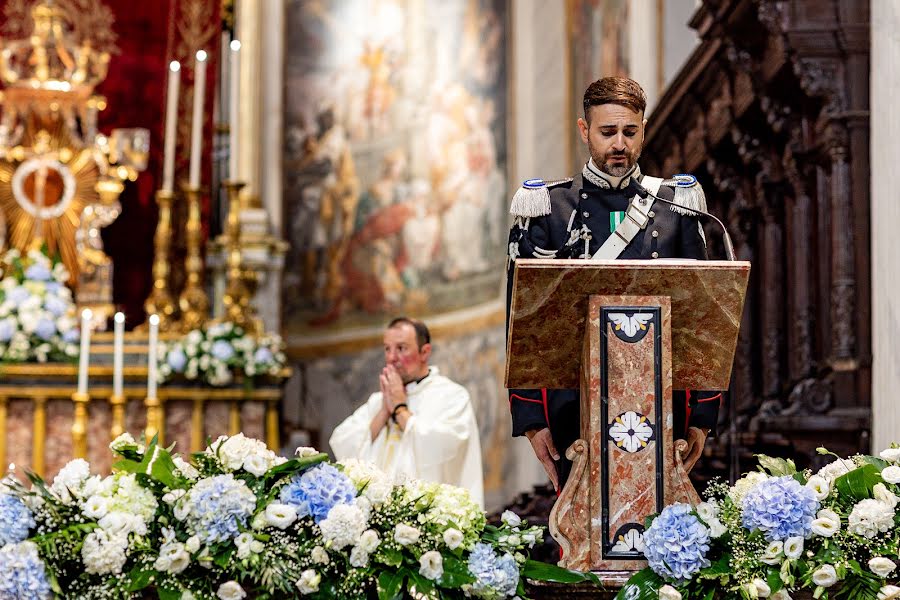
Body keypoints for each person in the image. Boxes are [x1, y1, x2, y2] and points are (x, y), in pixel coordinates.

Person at [506, 76, 722, 491]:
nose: (619, 143)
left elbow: (702, 322)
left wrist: (702, 419)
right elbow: (523, 324)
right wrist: (532, 421)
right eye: (607, 132)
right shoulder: (546, 210)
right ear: (584, 131)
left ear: (643, 129)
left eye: (630, 131)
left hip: (664, 407)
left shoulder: (675, 206)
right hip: (572, 408)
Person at [330, 317, 484, 507]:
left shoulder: (451, 396)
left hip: (430, 516)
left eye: (401, 348)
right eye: (387, 348)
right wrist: (384, 412)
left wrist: (400, 409)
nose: (392, 358)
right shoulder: (379, 400)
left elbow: (445, 448)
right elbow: (341, 441)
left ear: (424, 352)